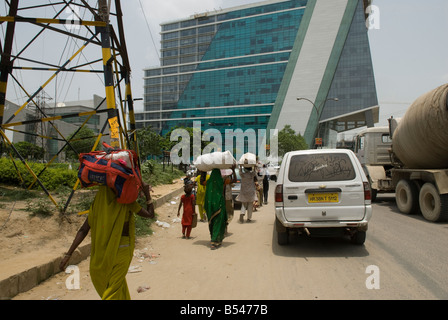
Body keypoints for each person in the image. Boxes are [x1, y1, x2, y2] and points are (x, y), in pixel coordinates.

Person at [59, 182, 154, 300]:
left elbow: (83, 230)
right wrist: (147, 194)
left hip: (101, 256)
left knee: (113, 287)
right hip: (122, 252)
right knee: (114, 289)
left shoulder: (98, 205)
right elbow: (150, 214)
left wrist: (68, 254)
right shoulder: (126, 202)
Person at [202, 168, 227, 250]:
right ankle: (214, 241)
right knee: (218, 223)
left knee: (211, 222)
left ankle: (214, 239)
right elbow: (233, 180)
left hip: (210, 206)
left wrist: (203, 171)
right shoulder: (222, 181)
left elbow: (201, 182)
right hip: (219, 205)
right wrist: (233, 170)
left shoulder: (208, 182)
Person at [222, 166, 237, 234]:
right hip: (227, 198)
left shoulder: (219, 179)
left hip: (220, 198)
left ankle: (224, 228)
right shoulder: (227, 180)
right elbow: (235, 180)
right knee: (229, 213)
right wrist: (233, 171)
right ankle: (225, 226)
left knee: (223, 214)